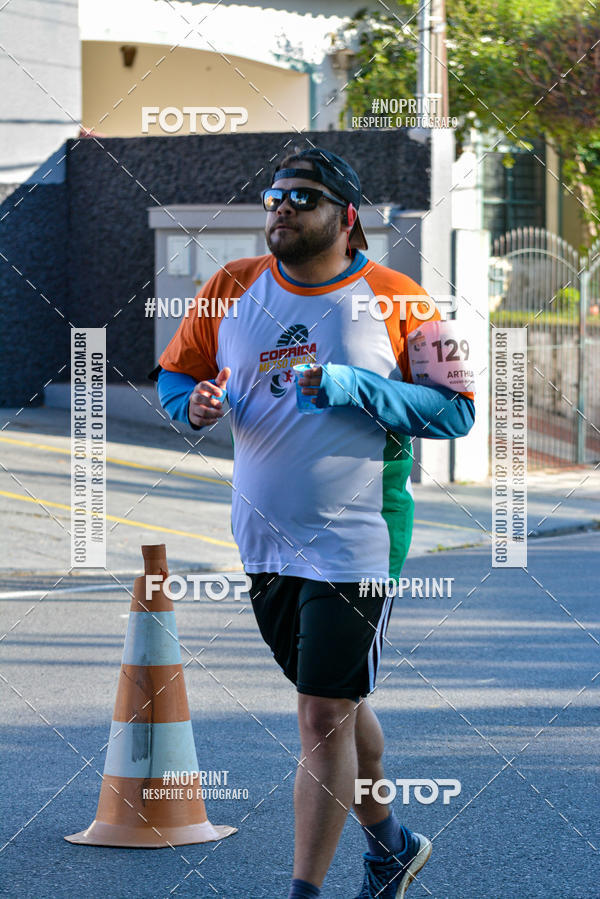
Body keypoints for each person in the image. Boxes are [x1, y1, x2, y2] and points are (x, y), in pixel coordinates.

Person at [152, 146, 475, 898]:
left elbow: (457, 409)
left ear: (346, 217)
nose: (281, 209)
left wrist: (355, 386)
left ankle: (305, 889)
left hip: (359, 537)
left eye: (301, 197)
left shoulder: (401, 298)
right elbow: (177, 372)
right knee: (336, 702)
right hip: (262, 537)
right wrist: (188, 405)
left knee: (320, 710)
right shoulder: (228, 287)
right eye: (273, 197)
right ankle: (392, 844)